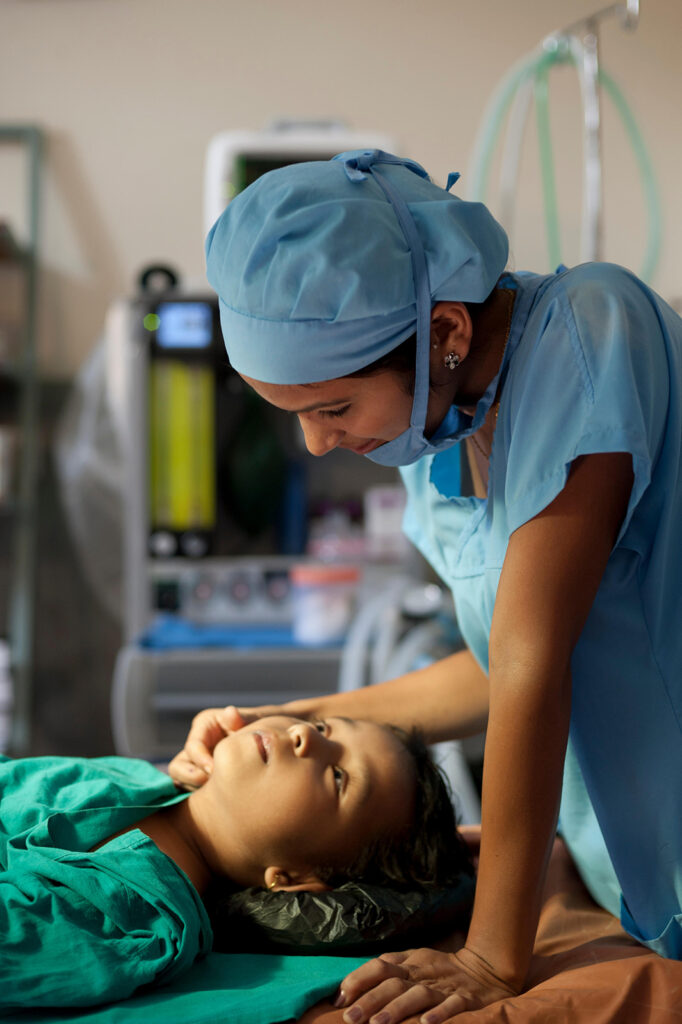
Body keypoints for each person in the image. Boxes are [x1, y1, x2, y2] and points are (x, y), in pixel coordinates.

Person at [170, 148, 682, 1022]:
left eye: (332, 409)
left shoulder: (593, 333)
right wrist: (286, 723)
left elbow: (531, 665)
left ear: (446, 333)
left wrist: (490, 956)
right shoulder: (435, 429)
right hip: (623, 875)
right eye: (296, 417)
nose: (318, 445)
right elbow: (494, 666)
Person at [0, 714, 464, 1012]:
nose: (302, 735)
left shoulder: (132, 924)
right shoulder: (138, 780)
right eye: (324, 727)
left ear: (300, 879)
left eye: (338, 776)